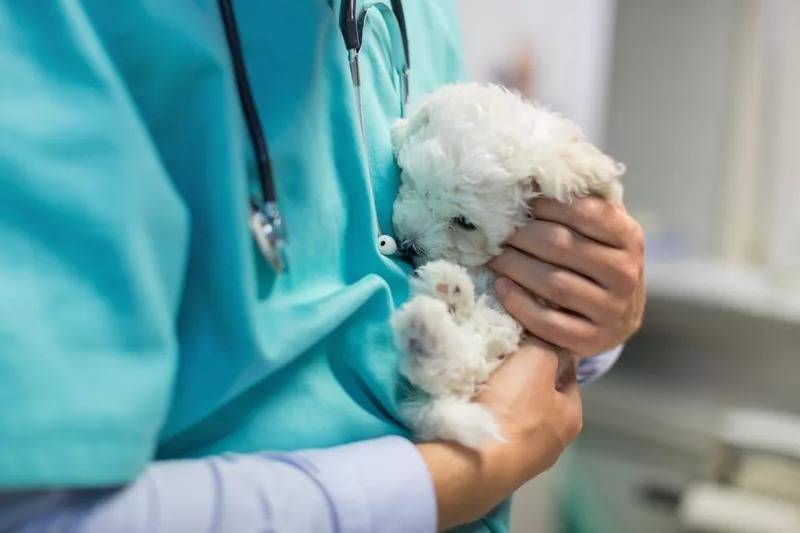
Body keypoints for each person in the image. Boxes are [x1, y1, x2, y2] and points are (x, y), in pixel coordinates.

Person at [0, 1, 645, 531]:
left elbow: (473, 257)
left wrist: (584, 310)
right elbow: (35, 516)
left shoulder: (421, 14)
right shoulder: (61, 25)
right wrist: (454, 477)